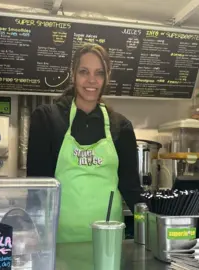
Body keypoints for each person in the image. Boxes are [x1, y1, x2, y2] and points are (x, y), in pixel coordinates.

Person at [27, 43, 142, 243]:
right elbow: (37, 188)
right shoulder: (47, 118)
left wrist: (151, 225)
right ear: (73, 74)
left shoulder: (120, 126)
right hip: (59, 241)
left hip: (108, 242)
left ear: (106, 77)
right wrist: (35, 238)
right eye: (84, 72)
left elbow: (131, 188)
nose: (91, 80)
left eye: (99, 73)